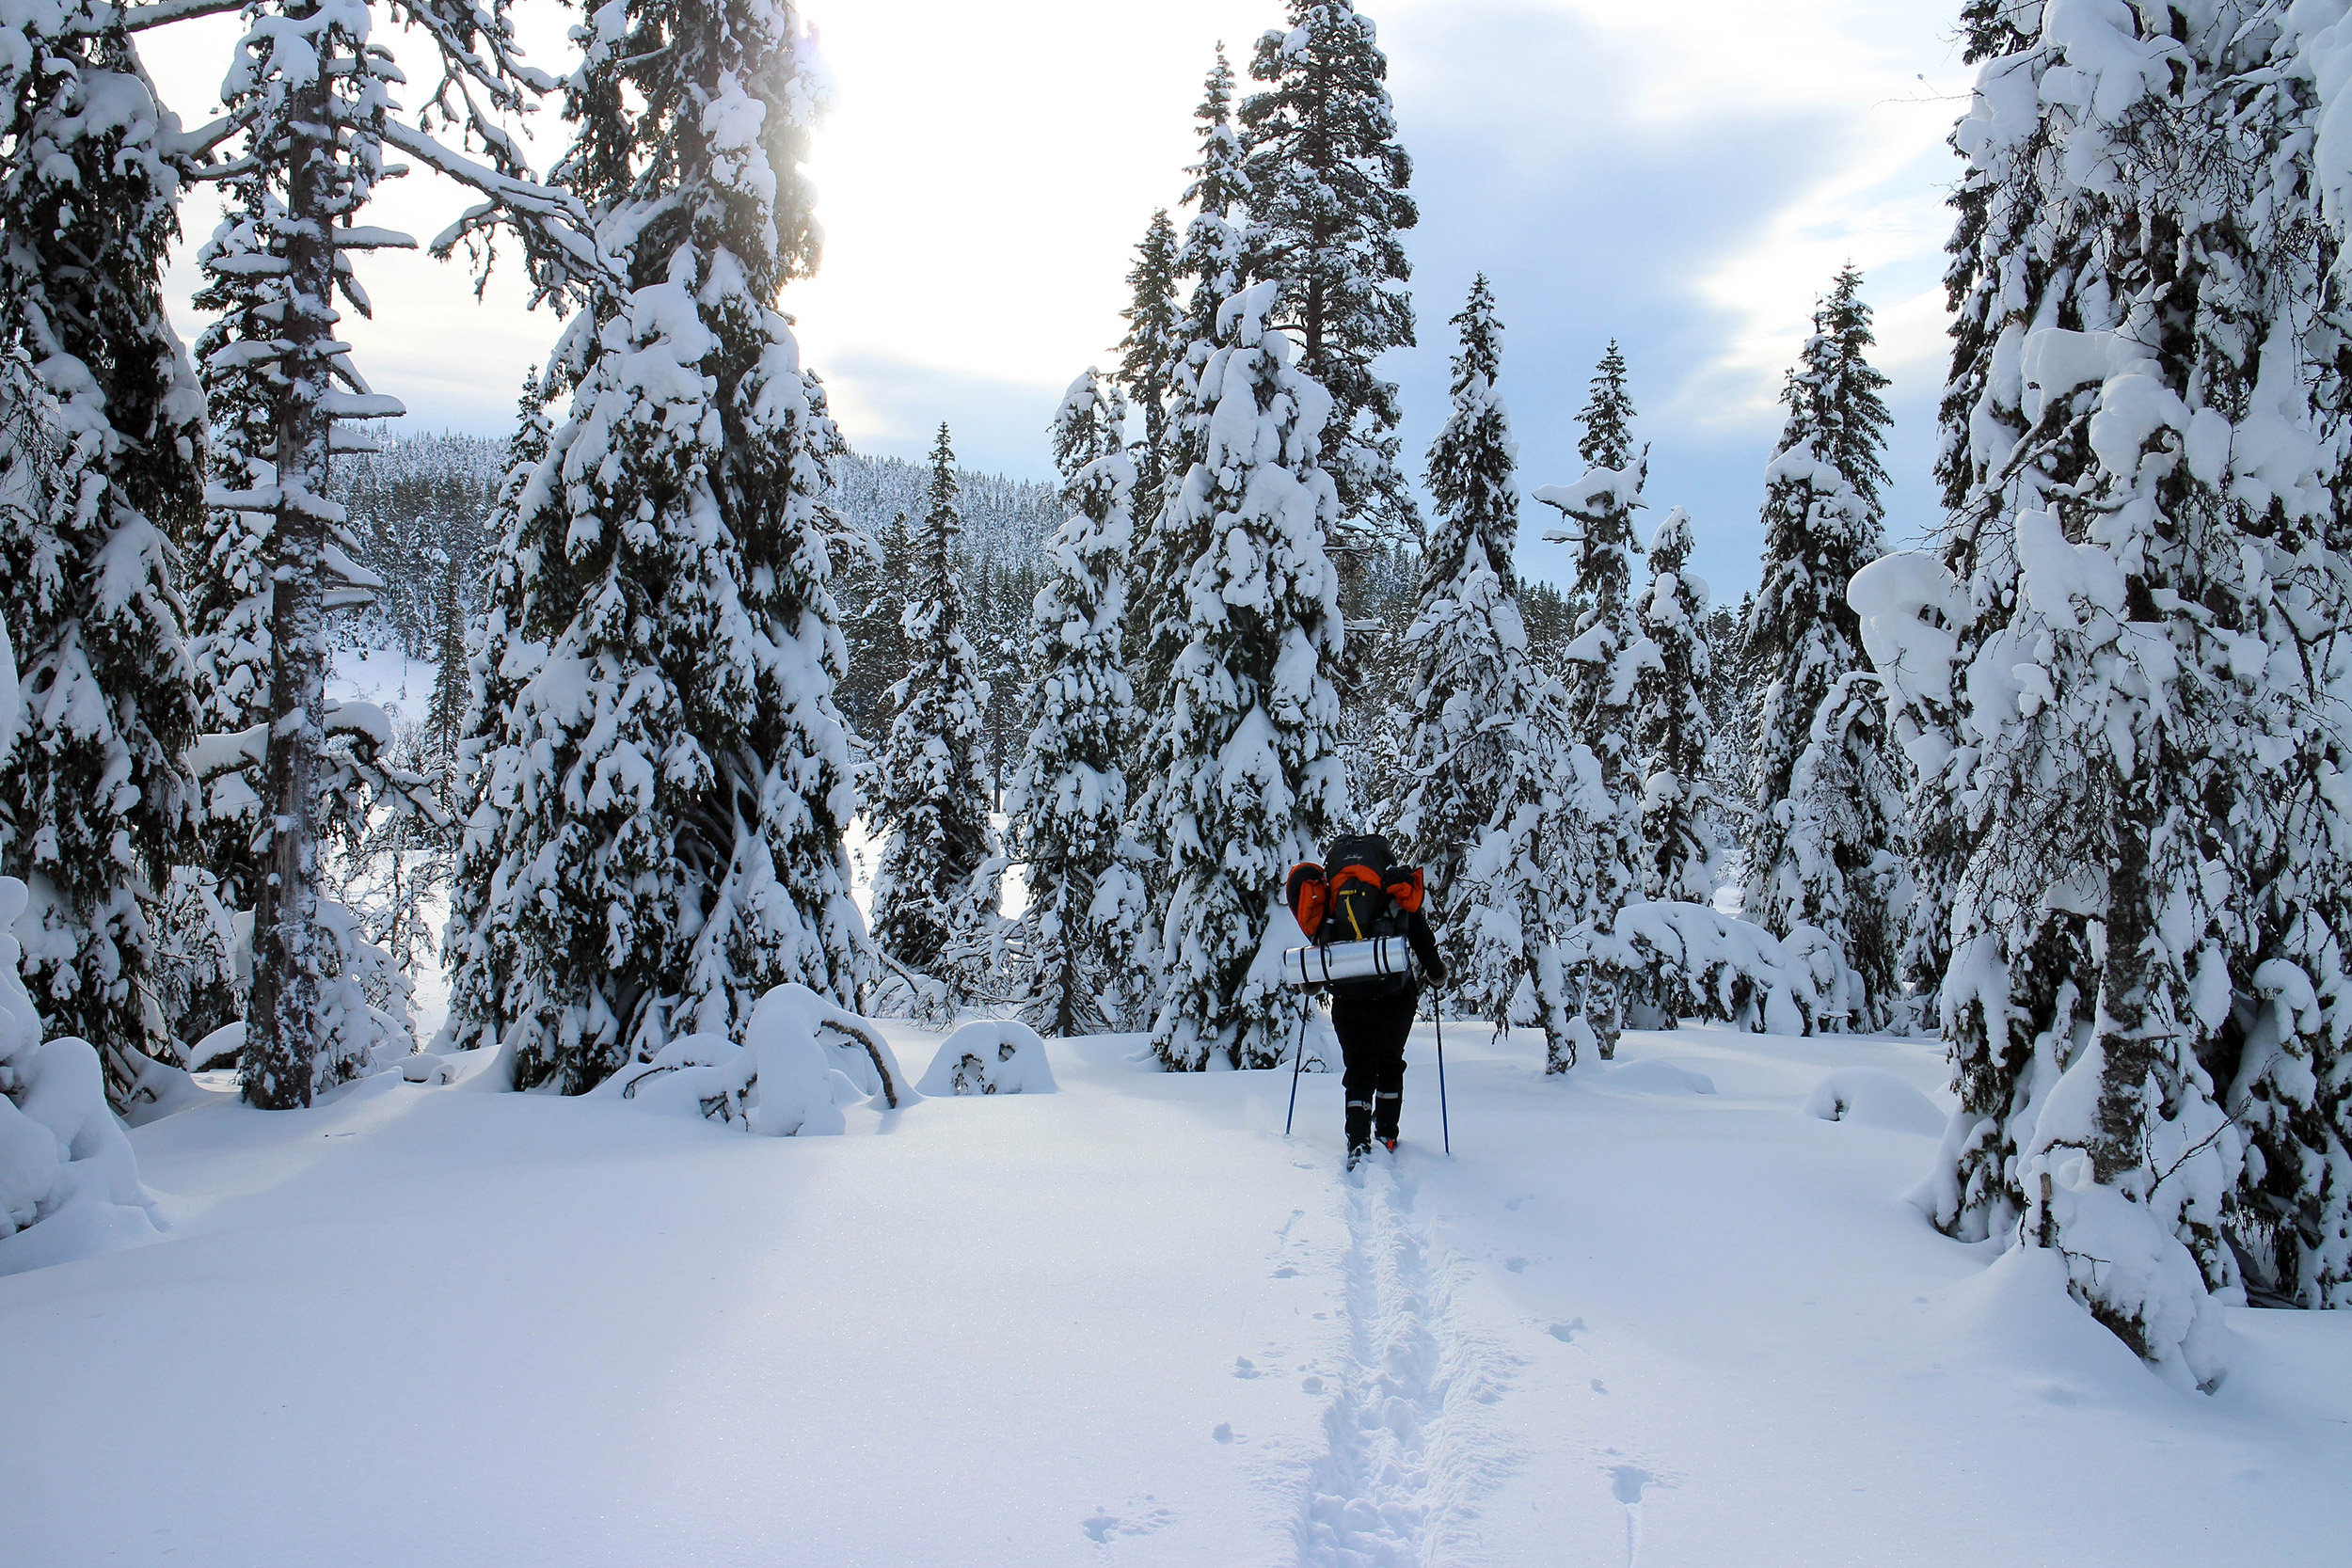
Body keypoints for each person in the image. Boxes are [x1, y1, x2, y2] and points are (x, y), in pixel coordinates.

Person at [1313, 833, 1446, 1166]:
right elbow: (1420, 937)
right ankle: (1387, 1133)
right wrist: (1435, 971)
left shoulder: (1333, 895)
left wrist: (1314, 981)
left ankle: (1357, 1138)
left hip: (1347, 995)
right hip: (1394, 995)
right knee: (1390, 1062)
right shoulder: (1395, 890)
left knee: (1358, 1068)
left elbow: (1319, 938)